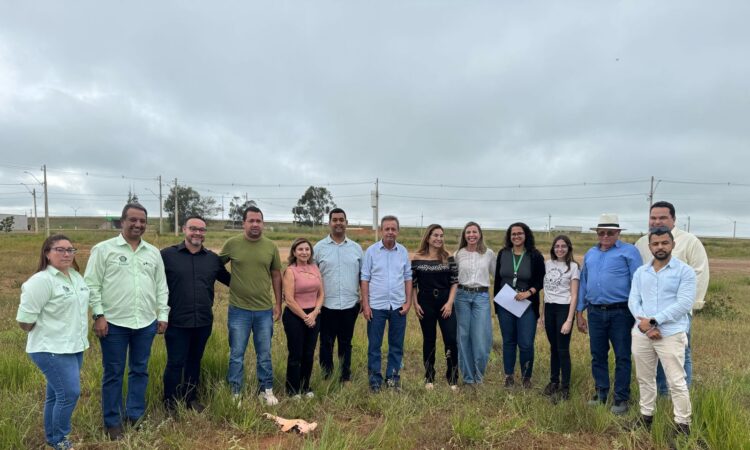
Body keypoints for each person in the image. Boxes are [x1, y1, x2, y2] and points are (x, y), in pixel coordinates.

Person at [85, 203, 169, 440]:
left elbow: (161, 286)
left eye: (142, 221)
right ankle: (112, 422)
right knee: (113, 372)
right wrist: (98, 315)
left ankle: (135, 415)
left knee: (140, 370)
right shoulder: (103, 250)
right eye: (133, 220)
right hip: (113, 324)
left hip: (145, 322)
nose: (138, 225)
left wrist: (162, 315)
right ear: (122, 221)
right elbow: (91, 284)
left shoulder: (153, 252)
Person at [17, 235, 89, 450]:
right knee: (69, 394)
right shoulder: (41, 281)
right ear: (47, 253)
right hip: (50, 348)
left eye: (70, 249)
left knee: (56, 395)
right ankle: (59, 440)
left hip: (74, 346)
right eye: (60, 249)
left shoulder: (75, 277)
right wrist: (47, 329)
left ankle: (51, 437)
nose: (66, 254)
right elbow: (25, 321)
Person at [635, 201, 709, 394]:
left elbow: (699, 274)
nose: (657, 221)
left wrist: (684, 306)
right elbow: (638, 277)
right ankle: (662, 394)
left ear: (673, 219)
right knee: (655, 352)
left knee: (680, 353)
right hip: (648, 313)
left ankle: (681, 393)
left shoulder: (689, 241)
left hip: (677, 312)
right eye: (653, 218)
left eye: (662, 217)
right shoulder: (642, 243)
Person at [160, 216, 230, 415]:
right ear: (184, 229)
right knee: (175, 362)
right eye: (193, 228)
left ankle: (190, 399)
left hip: (203, 321)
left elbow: (232, 281)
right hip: (176, 321)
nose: (197, 233)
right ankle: (170, 403)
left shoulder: (212, 259)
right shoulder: (167, 255)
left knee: (194, 361)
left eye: (201, 230)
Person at [629, 226, 695, 436]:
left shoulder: (685, 271)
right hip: (642, 333)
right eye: (655, 244)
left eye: (664, 243)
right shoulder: (641, 272)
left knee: (676, 381)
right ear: (650, 247)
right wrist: (645, 325)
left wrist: (654, 321)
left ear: (672, 244)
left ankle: (683, 425)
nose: (660, 247)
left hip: (671, 333)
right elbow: (633, 300)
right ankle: (646, 417)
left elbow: (684, 303)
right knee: (644, 378)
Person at [576, 213, 642, 415]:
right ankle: (601, 393)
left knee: (622, 355)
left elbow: (639, 282)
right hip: (595, 312)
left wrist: (638, 313)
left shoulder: (629, 252)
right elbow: (584, 282)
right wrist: (580, 311)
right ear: (597, 233)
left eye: (610, 233)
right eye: (601, 232)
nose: (605, 236)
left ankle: (621, 398)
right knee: (597, 354)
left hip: (621, 312)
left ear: (618, 233)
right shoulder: (590, 253)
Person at [220, 205, 282, 406]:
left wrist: (278, 304)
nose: (255, 224)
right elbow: (216, 266)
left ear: (263, 223)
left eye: (258, 221)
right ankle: (235, 392)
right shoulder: (232, 244)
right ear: (243, 223)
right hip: (239, 310)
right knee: (237, 354)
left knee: (264, 354)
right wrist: (232, 282)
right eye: (251, 221)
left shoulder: (271, 247)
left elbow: (276, 275)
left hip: (264, 311)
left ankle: (266, 390)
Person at [360, 215, 413, 392]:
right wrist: (366, 305)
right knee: (374, 346)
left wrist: (408, 302)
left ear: (398, 231)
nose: (390, 232)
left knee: (396, 346)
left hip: (398, 306)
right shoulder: (371, 251)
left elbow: (408, 278)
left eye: (393, 229)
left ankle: (392, 379)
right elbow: (365, 278)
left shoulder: (403, 252)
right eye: (387, 229)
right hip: (376, 307)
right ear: (381, 230)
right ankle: (375, 380)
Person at [493, 222, 545, 388]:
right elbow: (498, 280)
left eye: (519, 233)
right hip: (505, 303)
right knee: (508, 341)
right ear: (509, 236)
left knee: (526, 343)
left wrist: (529, 293)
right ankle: (508, 376)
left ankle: (526, 377)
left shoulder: (535, 255)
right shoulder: (503, 253)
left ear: (526, 235)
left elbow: (541, 280)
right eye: (513, 234)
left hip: (526, 303)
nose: (516, 236)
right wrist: (496, 305)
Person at [313, 208, 363, 384]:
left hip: (350, 304)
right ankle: (327, 377)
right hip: (326, 305)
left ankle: (345, 377)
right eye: (335, 220)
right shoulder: (319, 248)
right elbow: (311, 275)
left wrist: (363, 298)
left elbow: (363, 276)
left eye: (341, 220)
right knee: (326, 343)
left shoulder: (356, 249)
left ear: (346, 223)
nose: (338, 223)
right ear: (329, 223)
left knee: (346, 343)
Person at [411, 224, 459, 390]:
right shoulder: (417, 258)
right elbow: (413, 284)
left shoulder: (448, 257)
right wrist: (415, 303)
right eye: (435, 235)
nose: (439, 238)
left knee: (450, 339)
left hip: (445, 302)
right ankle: (429, 377)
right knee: (429, 339)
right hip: (425, 302)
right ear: (428, 237)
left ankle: (452, 378)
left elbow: (454, 282)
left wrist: (450, 303)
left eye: (441, 235)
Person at [453, 221, 496, 386]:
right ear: (464, 235)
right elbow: (452, 279)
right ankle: (468, 378)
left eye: (474, 232)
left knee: (481, 338)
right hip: (461, 297)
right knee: (463, 337)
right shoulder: (458, 254)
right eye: (468, 232)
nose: (471, 235)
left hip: (481, 297)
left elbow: (498, 275)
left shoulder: (489, 254)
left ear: (480, 234)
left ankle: (479, 377)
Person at [282, 238, 324, 398]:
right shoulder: (290, 271)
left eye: (307, 249)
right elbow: (289, 299)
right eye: (300, 249)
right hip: (295, 316)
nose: (304, 252)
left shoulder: (315, 268)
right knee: (296, 354)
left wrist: (314, 313)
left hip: (314, 315)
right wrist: (305, 317)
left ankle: (305, 386)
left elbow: (321, 294)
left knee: (308, 353)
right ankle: (292, 390)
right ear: (294, 252)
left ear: (310, 252)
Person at [540, 235, 580, 401]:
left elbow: (574, 295)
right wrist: (542, 315)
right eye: (557, 246)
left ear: (568, 248)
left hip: (564, 309)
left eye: (563, 246)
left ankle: (565, 387)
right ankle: (554, 381)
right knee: (553, 348)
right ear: (553, 248)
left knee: (562, 349)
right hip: (549, 308)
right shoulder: (547, 264)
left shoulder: (573, 267)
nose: (560, 249)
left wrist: (569, 320)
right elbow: (545, 292)